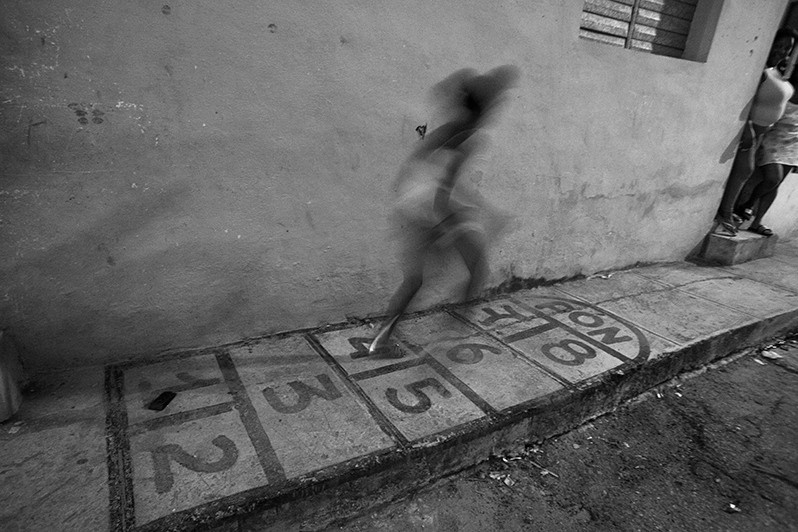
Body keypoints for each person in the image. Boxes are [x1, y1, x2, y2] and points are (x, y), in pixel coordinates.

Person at [368, 65, 520, 355]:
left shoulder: (444, 131)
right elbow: (445, 189)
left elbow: (416, 171)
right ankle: (449, 335)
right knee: (477, 271)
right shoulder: (471, 139)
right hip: (435, 208)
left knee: (415, 280)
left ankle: (380, 342)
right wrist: (444, 225)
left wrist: (480, 208)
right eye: (493, 107)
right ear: (483, 111)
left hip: (413, 204)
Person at [714, 27, 798, 235]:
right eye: (778, 46)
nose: (781, 51)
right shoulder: (760, 70)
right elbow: (746, 100)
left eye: (786, 49)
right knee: (745, 170)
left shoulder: (776, 72)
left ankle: (731, 210)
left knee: (749, 173)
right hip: (752, 130)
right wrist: (748, 128)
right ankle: (725, 213)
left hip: (765, 133)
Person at [734, 71, 798, 237]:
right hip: (773, 141)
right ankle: (748, 204)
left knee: (775, 184)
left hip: (793, 146)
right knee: (772, 179)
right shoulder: (785, 94)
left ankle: (757, 222)